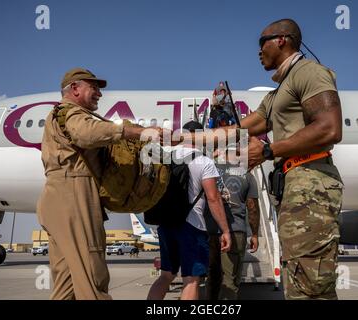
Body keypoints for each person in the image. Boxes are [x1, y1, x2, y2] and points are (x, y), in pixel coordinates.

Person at [185, 18, 343, 300]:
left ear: (282, 40)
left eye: (262, 42)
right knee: (299, 278)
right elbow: (238, 129)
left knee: (312, 284)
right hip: (293, 185)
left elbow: (330, 128)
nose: (259, 51)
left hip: (311, 183)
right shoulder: (277, 94)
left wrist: (270, 151)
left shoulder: (310, 73)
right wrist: (183, 139)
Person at [37, 67, 155, 300]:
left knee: (67, 281)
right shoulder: (71, 113)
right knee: (92, 275)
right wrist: (132, 132)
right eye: (94, 88)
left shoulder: (58, 114)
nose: (99, 94)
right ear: (75, 88)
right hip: (74, 194)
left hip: (56, 198)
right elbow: (86, 133)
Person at [147, 121, 232, 300]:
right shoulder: (204, 161)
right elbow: (213, 198)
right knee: (191, 280)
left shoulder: (165, 157)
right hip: (192, 226)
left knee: (166, 276)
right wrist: (225, 230)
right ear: (200, 136)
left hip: (166, 224)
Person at [205, 144, 260, 300]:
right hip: (235, 231)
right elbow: (253, 208)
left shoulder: (209, 170)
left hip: (210, 230)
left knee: (213, 278)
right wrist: (254, 234)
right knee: (230, 280)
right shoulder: (246, 175)